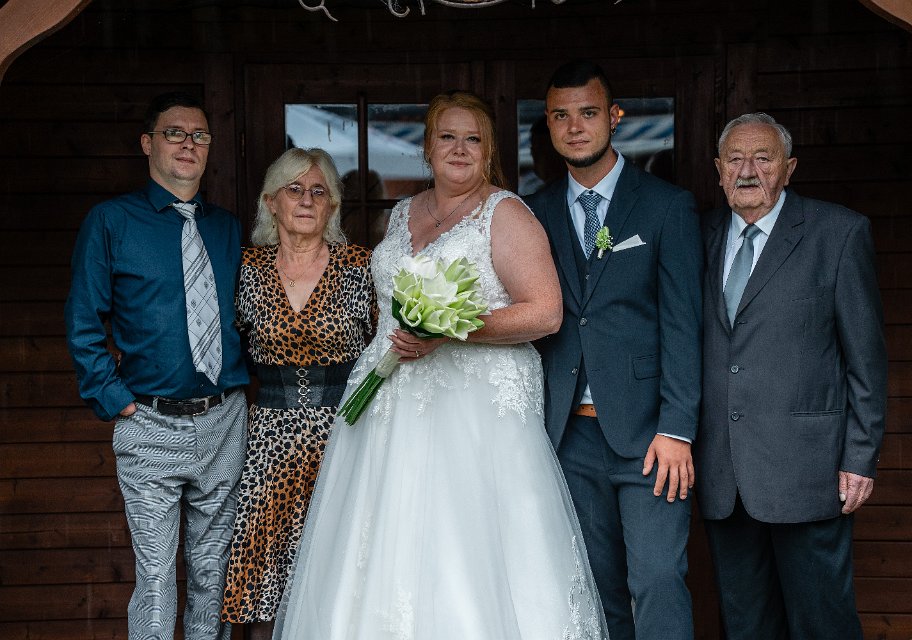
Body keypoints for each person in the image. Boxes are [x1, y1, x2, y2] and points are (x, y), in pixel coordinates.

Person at [273, 90, 608, 639]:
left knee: (463, 544)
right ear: (427, 147)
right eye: (447, 137)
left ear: (488, 151)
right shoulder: (403, 212)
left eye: (473, 139)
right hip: (390, 407)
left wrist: (450, 330)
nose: (459, 149)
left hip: (473, 415)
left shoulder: (505, 214)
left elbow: (545, 313)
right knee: (385, 542)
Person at [526, 60, 703, 640]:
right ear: (548, 124)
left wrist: (677, 428)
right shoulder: (534, 212)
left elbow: (684, 325)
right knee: (597, 589)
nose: (575, 127)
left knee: (656, 579)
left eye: (588, 112)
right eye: (561, 116)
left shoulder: (665, 206)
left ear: (615, 116)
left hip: (649, 435)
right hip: (568, 437)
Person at [695, 112, 887, 639]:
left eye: (763, 158)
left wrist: (860, 457)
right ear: (718, 169)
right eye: (735, 159)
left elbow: (866, 360)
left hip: (809, 472)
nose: (747, 171)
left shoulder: (838, 233)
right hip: (724, 474)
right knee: (747, 626)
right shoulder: (699, 235)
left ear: (789, 167)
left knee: (822, 623)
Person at [64, 92, 249, 640]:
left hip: (223, 419)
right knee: (156, 577)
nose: (189, 144)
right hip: (149, 421)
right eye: (175, 133)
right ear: (148, 143)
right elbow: (83, 317)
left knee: (213, 572)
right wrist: (114, 398)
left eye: (199, 135)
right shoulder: (111, 222)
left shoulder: (226, 228)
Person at [220, 148, 377, 638]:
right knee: (265, 573)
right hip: (269, 440)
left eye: (318, 191)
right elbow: (220, 344)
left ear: (332, 206)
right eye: (294, 189)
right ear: (271, 202)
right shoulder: (246, 268)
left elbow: (388, 352)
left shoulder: (360, 267)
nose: (306, 200)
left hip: (346, 433)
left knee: (342, 560)